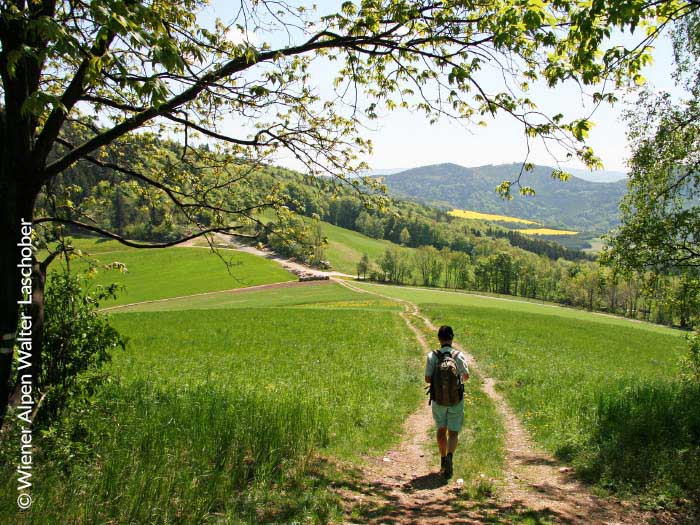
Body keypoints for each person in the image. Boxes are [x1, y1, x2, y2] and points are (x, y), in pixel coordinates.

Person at [424, 325, 469, 479]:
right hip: (456, 400)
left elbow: (427, 378)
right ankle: (450, 456)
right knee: (454, 432)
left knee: (441, 430)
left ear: (439, 338)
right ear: (452, 338)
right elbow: (466, 376)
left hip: (438, 400)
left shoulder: (432, 356)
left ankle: (443, 460)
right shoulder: (458, 355)